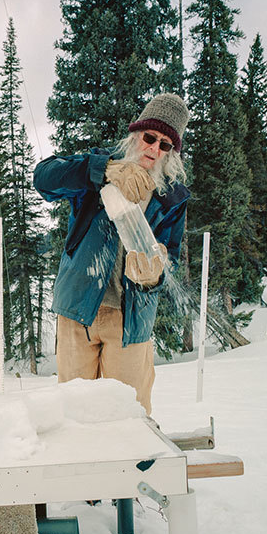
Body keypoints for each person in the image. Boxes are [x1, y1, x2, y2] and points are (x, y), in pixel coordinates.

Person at [33, 93, 190, 415]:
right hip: (79, 311)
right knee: (73, 414)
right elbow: (44, 178)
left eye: (165, 145)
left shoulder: (172, 196)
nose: (154, 149)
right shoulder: (98, 166)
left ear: (171, 153)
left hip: (131, 321)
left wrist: (156, 273)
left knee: (131, 414)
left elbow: (170, 254)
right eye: (150, 138)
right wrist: (104, 171)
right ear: (136, 134)